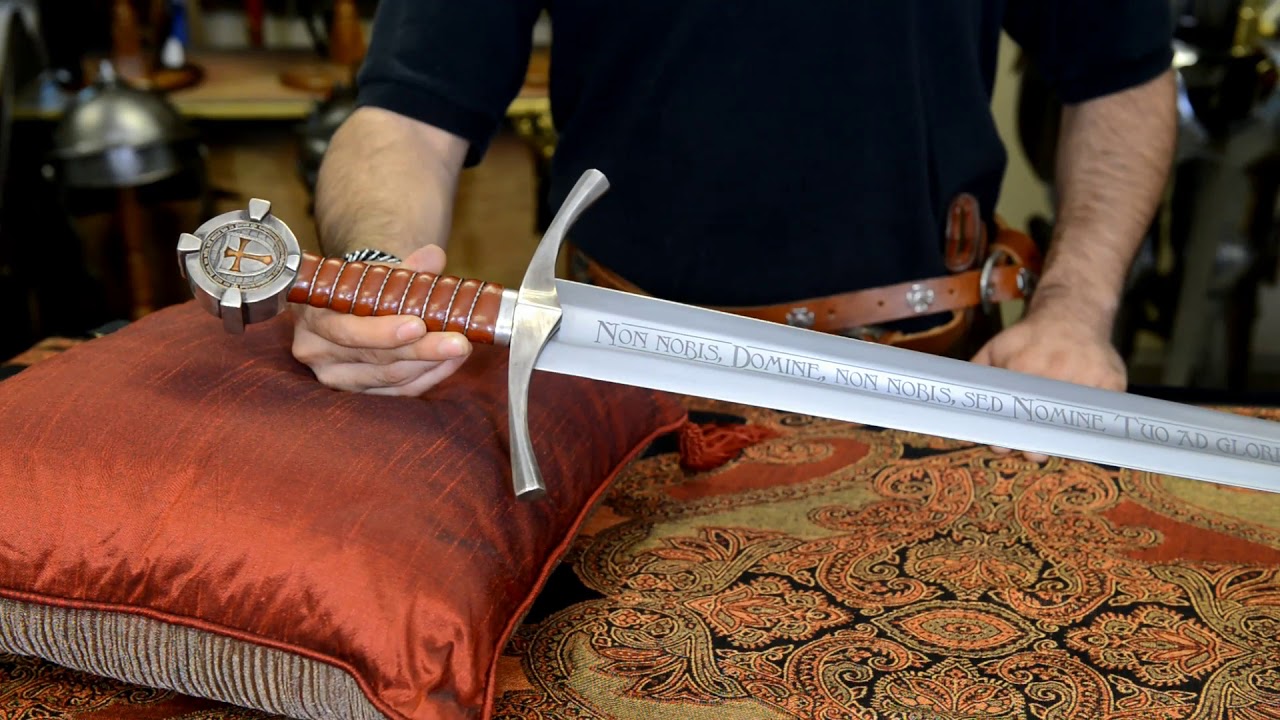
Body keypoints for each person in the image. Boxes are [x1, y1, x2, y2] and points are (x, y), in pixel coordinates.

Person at [292, 0, 1178, 451]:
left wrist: (1074, 309)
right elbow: (405, 120)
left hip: (928, 386)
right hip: (620, 398)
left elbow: (1122, 74)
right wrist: (377, 276)